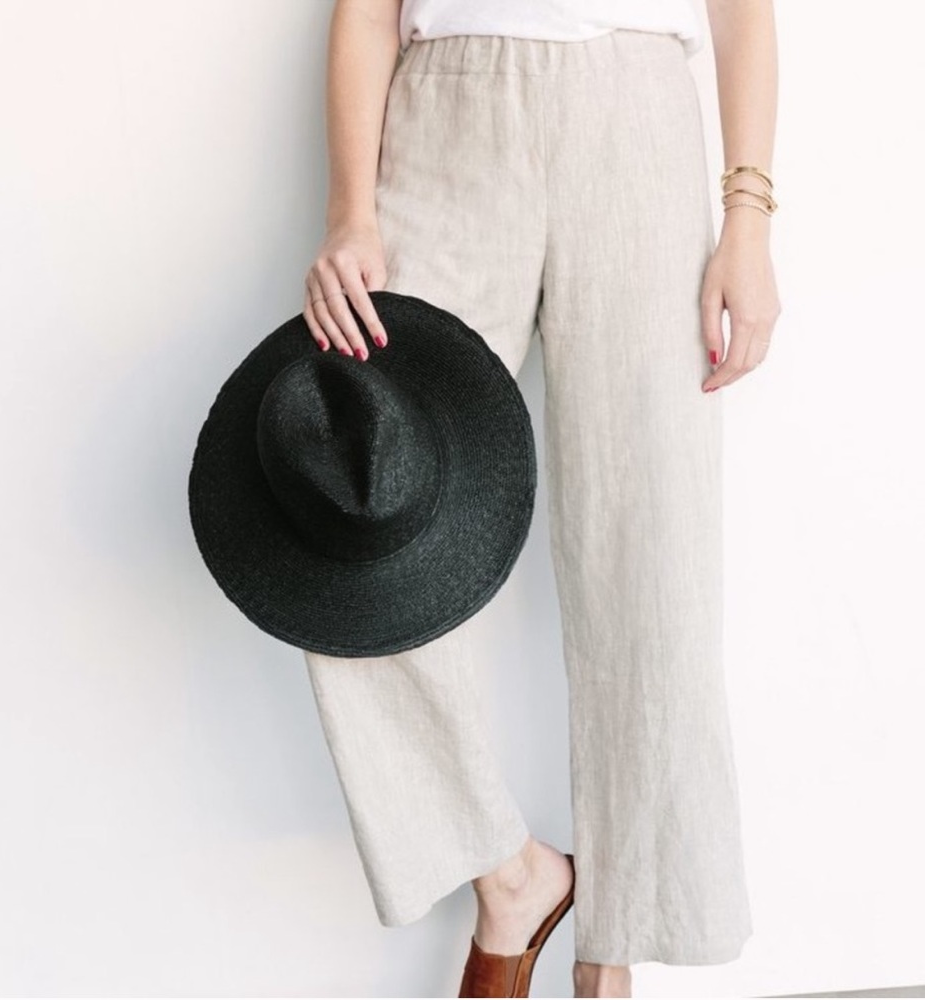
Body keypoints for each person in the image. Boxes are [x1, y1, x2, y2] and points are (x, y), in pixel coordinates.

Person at [299, 0, 781, 996]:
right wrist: (351, 213)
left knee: (650, 554)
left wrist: (748, 217)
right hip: (445, 123)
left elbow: (742, 10)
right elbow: (366, 10)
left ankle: (611, 956)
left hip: (636, 121)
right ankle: (511, 876)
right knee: (361, 516)